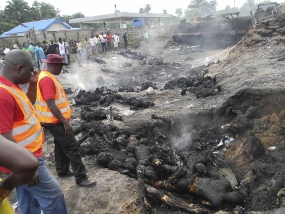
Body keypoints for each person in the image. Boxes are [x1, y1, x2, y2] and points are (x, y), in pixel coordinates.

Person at [0, 49, 68, 213]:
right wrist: (26, 168)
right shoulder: (2, 94)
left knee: (29, 202)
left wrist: (32, 84)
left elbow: (26, 105)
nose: (33, 73)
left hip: (28, 158)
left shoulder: (12, 87)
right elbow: (4, 136)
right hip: (24, 160)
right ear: (18, 68)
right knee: (54, 197)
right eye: (30, 70)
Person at [35, 54, 96, 187]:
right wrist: (65, 122)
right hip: (55, 121)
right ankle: (81, 178)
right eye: (61, 67)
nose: (62, 70)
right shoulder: (47, 80)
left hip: (52, 120)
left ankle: (62, 170)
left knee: (60, 145)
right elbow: (51, 104)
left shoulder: (47, 76)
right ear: (56, 65)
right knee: (72, 147)